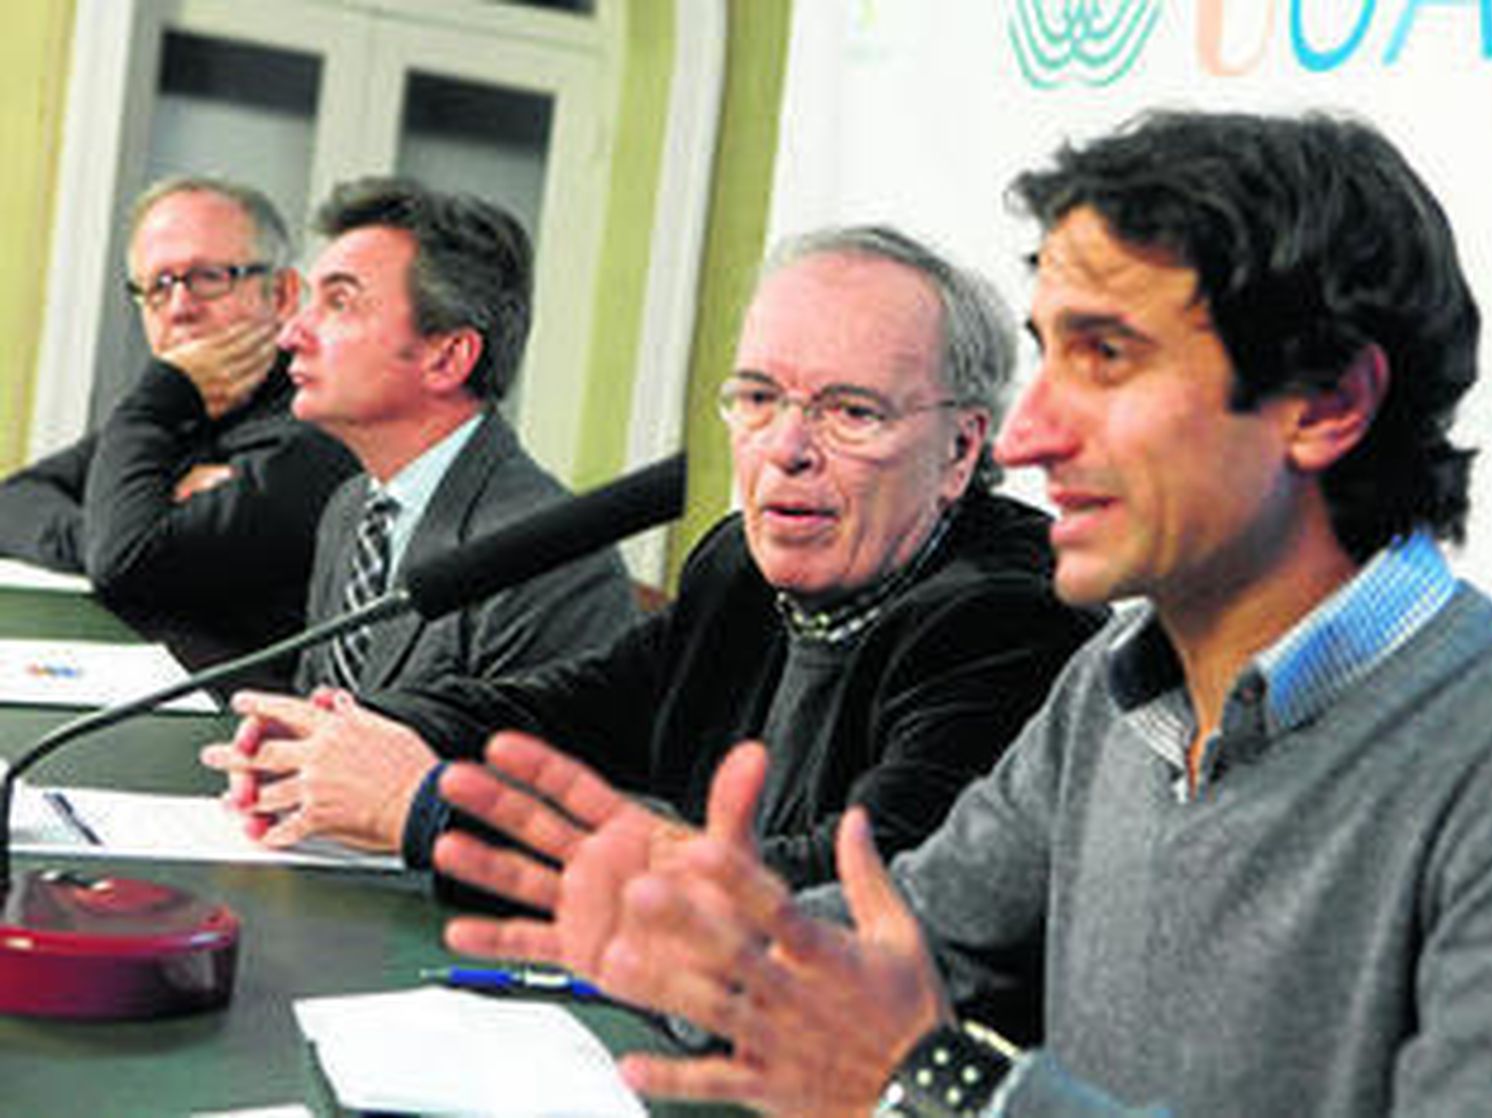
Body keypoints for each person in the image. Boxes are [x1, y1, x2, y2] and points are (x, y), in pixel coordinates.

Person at [426, 111, 1492, 1116]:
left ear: (1327, 400)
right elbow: (903, 936)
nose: (1029, 436)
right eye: (1044, 357)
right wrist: (708, 936)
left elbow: (910, 1060)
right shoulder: (1119, 683)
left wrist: (943, 1085)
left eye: (1106, 358)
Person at [201, 225, 1105, 881]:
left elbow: (845, 888)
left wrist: (431, 808)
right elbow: (574, 710)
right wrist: (364, 727)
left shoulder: (1007, 619)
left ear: (959, 451)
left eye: (850, 412)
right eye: (757, 399)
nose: (785, 449)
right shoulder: (742, 568)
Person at [205, 176, 640, 849]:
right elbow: (323, 726)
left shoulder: (549, 557)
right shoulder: (352, 508)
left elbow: (554, 825)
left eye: (340, 304)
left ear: (447, 356)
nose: (291, 333)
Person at [0, 177, 358, 675]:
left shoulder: (318, 430)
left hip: (242, 728)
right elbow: (13, 500)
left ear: (281, 295)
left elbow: (126, 559)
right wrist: (117, 524)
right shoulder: (181, 408)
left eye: (208, 277)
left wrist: (147, 413)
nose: (180, 308)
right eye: (157, 286)